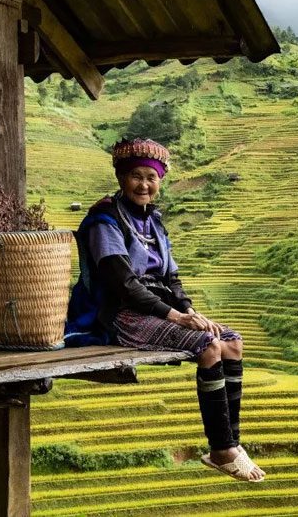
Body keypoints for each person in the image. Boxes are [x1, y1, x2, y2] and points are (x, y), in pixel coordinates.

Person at [64, 138, 265, 482]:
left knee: (231, 341)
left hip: (159, 308)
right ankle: (221, 450)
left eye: (151, 178)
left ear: (160, 181)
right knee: (208, 345)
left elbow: (171, 277)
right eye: (136, 176)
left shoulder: (154, 221)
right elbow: (122, 284)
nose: (144, 185)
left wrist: (189, 308)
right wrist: (177, 317)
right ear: (121, 177)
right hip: (119, 312)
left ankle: (231, 442)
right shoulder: (104, 220)